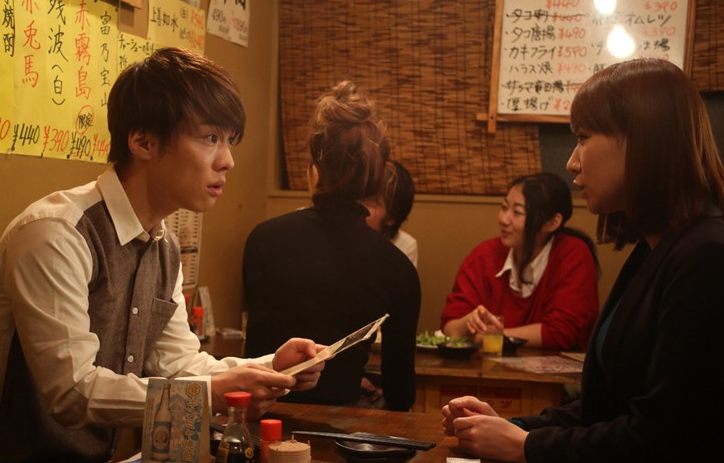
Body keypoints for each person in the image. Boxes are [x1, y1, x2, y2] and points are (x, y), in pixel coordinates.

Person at [0, 47, 324, 463]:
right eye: (210, 138)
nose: (228, 161)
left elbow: (181, 365)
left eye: (229, 140)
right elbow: (73, 392)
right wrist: (211, 395)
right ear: (143, 141)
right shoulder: (55, 233)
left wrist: (270, 368)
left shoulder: (162, 244)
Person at [441, 58, 724, 463]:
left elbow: (658, 436)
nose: (572, 161)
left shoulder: (709, 258)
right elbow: (606, 409)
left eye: (583, 138)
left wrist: (525, 446)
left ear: (641, 142)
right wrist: (511, 428)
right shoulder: (657, 249)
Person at [243, 80, 421, 412]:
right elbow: (401, 393)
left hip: (258, 415)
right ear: (378, 181)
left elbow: (256, 342)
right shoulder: (396, 266)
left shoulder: (262, 238)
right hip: (342, 425)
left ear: (315, 172)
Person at [440, 172, 600, 350]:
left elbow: (562, 332)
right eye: (504, 207)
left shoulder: (572, 254)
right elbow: (449, 327)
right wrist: (469, 322)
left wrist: (495, 336)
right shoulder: (484, 256)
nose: (503, 219)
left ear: (552, 223)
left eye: (517, 212)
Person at [362, 160, 419, 267]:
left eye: (370, 203)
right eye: (359, 197)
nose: (358, 206)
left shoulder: (404, 246)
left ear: (391, 217)